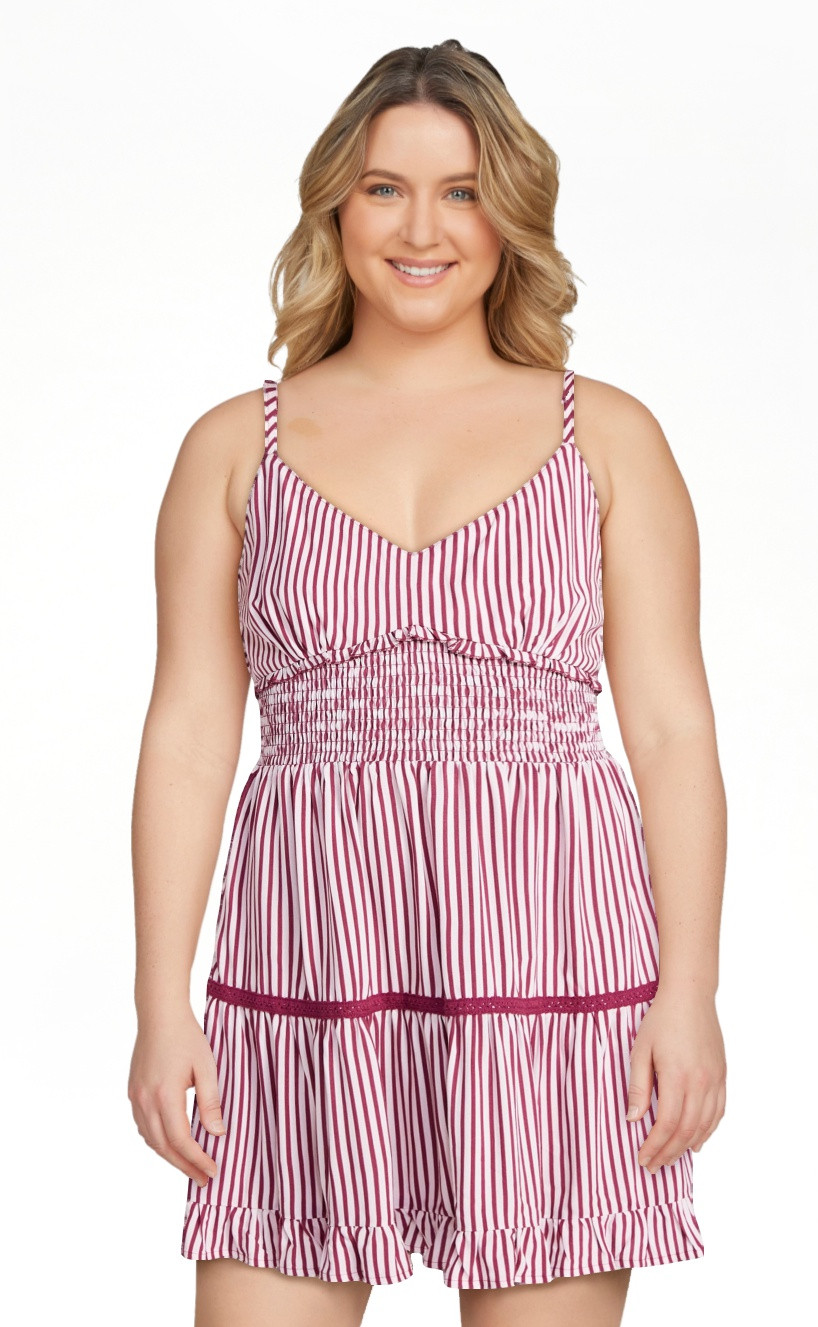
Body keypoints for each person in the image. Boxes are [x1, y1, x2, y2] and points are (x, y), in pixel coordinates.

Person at [128, 37, 727, 1327]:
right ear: (335, 207)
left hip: (550, 971)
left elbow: (674, 729)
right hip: (309, 963)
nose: (421, 229)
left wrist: (691, 995)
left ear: (510, 216)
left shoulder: (607, 436)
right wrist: (158, 1005)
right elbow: (187, 732)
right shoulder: (234, 446)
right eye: (385, 188)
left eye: (461, 192)